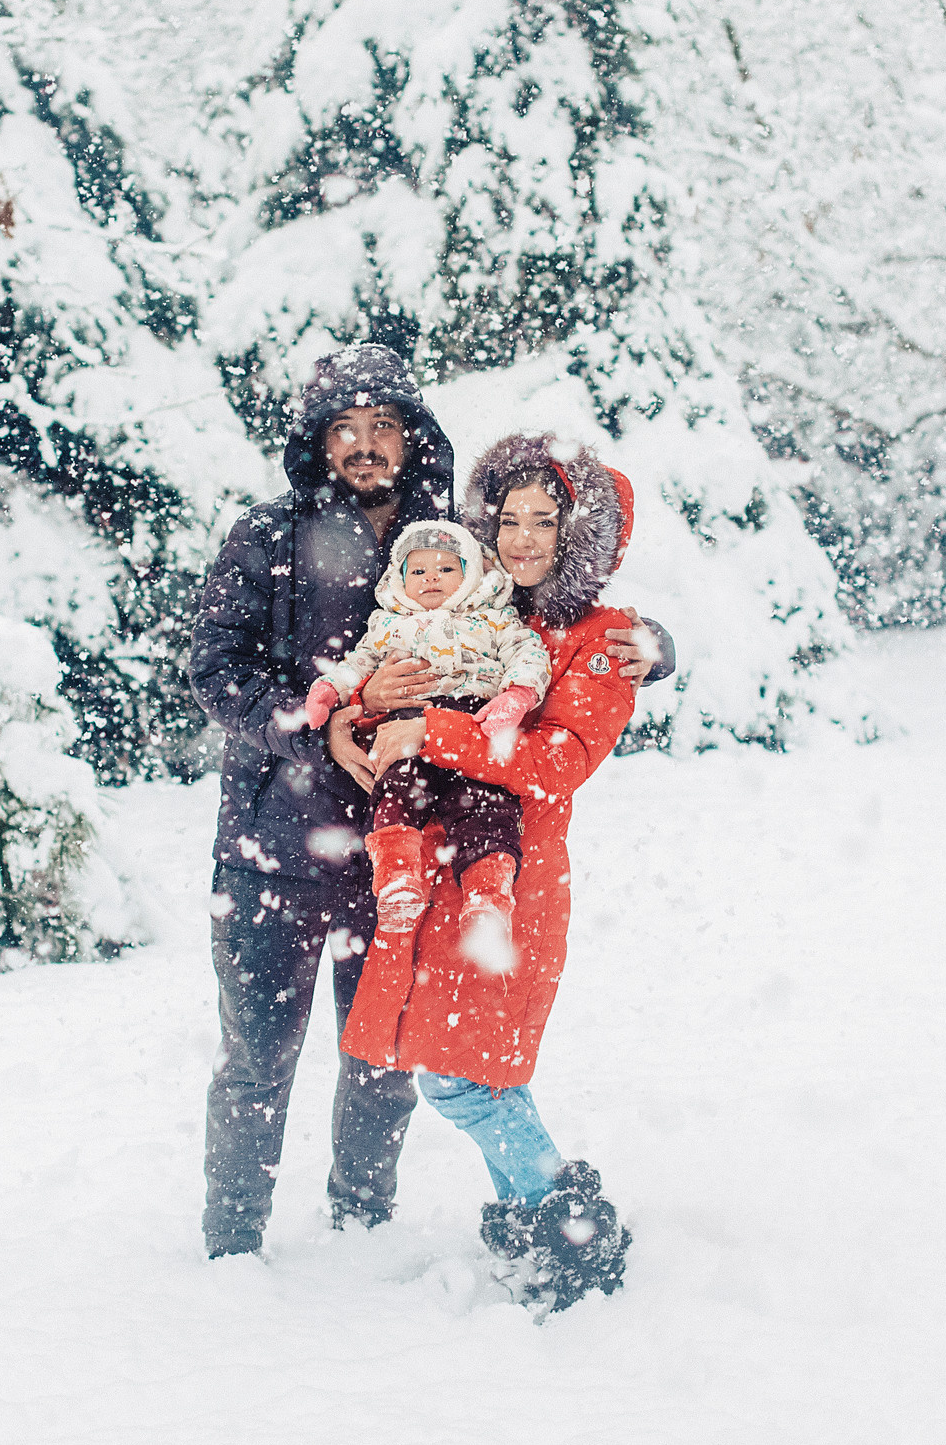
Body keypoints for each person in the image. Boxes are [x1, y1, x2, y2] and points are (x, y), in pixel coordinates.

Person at [186, 345, 673, 1261]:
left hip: (400, 853)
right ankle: (231, 1245)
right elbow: (213, 666)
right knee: (256, 1060)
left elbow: (557, 591)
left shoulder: (455, 540)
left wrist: (655, 643)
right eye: (346, 428)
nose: (366, 446)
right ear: (317, 441)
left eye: (384, 427)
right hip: (271, 848)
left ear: (415, 440)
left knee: (383, 1060)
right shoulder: (265, 538)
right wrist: (316, 728)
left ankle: (362, 1228)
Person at [331, 431, 644, 1312]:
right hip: (445, 875)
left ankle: (570, 1224)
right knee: (485, 1066)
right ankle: (533, 1237)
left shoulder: (604, 638)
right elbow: (398, 686)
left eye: (547, 519)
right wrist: (370, 706)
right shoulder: (488, 614)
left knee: (460, 1076)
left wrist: (433, 733)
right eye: (508, 517)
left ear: (580, 533)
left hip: (515, 880)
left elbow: (556, 759)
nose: (523, 536)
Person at [300, 519, 550, 963]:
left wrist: (518, 694)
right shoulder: (387, 624)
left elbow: (527, 651)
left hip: (474, 722)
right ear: (399, 580)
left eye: (445, 569)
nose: (431, 578)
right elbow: (358, 662)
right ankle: (396, 880)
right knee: (394, 791)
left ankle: (488, 893)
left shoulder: (493, 617)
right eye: (418, 571)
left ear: (470, 575)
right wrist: (330, 690)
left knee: (487, 804)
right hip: (407, 723)